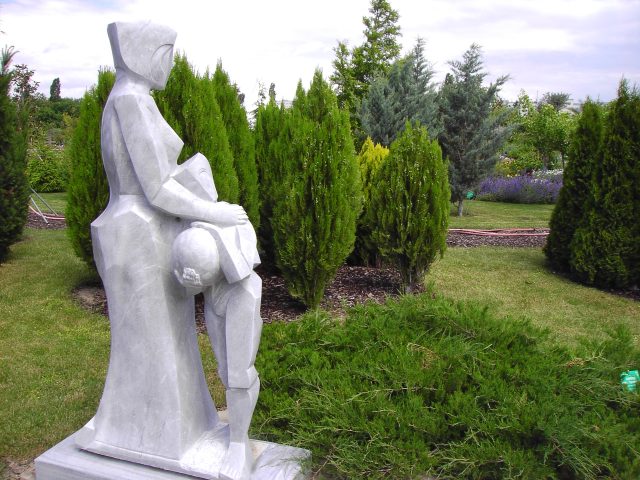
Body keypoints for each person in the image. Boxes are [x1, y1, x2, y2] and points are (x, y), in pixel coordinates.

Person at [77, 21, 261, 480]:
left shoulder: (133, 99)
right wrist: (216, 212)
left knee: (168, 345)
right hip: (138, 232)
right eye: (166, 53)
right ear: (142, 53)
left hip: (147, 230)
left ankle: (171, 430)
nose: (171, 63)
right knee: (151, 347)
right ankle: (142, 435)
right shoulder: (131, 100)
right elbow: (156, 187)